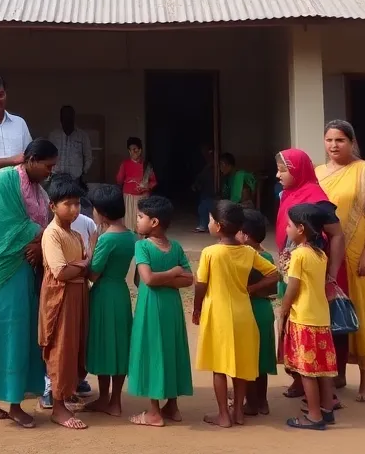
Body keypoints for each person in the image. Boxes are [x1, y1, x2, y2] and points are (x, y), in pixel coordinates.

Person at [0, 138, 58, 428]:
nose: (50, 172)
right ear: (30, 159)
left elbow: (42, 226)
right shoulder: (5, 179)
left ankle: (1, 398)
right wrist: (38, 236)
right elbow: (8, 223)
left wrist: (42, 238)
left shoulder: (39, 192)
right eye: (47, 165)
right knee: (1, 334)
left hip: (21, 270)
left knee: (20, 334)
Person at [316, 119, 365, 402]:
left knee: (360, 309)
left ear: (352, 142)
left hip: (357, 249)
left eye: (340, 140)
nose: (334, 145)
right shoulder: (318, 172)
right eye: (330, 140)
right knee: (329, 310)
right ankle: (337, 371)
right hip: (325, 250)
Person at [193, 200, 278, 427]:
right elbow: (273, 274)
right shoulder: (248, 252)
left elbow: (201, 284)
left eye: (210, 221)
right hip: (243, 313)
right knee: (240, 365)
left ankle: (223, 415)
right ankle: (238, 413)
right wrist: (250, 289)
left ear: (219, 226)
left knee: (219, 367)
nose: (208, 224)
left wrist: (196, 308)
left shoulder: (210, 252)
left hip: (218, 314)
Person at [274, 148, 346, 402]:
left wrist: (332, 274)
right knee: (291, 330)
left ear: (297, 170)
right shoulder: (287, 195)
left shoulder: (317, 199)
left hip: (308, 277)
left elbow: (337, 234)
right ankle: (299, 379)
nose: (278, 174)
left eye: (283, 170)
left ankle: (322, 395)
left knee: (309, 335)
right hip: (291, 271)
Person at [127, 194, 194, 427]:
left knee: (154, 351)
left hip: (152, 307)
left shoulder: (142, 245)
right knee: (171, 348)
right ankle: (172, 406)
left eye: (140, 216)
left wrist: (162, 278)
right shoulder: (174, 247)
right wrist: (173, 274)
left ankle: (154, 412)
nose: (137, 220)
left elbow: (152, 279)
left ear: (154, 222)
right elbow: (179, 277)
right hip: (172, 306)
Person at [38, 175, 90, 431]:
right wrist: (83, 264)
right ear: (52, 206)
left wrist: (79, 266)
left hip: (78, 296)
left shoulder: (77, 235)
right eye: (68, 203)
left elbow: (79, 268)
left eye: (77, 203)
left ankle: (67, 393)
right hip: (60, 298)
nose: (74, 209)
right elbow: (61, 272)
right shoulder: (52, 234)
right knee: (60, 348)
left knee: (75, 347)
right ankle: (57, 407)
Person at [279, 204, 338, 429]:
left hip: (303, 318)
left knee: (307, 371)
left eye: (289, 225)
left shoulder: (299, 255)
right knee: (323, 368)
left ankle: (314, 416)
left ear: (301, 228)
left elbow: (293, 287)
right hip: (321, 317)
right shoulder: (320, 253)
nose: (286, 229)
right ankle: (327, 409)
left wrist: (284, 308)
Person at [84, 183, 136, 417]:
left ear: (102, 213)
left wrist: (90, 249)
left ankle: (105, 398)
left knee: (104, 345)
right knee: (119, 345)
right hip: (121, 292)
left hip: (104, 293)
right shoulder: (131, 236)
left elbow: (94, 272)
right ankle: (115, 400)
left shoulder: (106, 239)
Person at [238, 208, 278, 416]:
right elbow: (273, 289)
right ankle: (261, 401)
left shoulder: (247, 256)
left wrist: (250, 289)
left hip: (250, 309)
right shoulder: (268, 255)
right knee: (261, 359)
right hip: (264, 308)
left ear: (245, 235)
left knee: (248, 358)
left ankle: (251, 403)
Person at [115, 136, 156, 233]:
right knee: (129, 223)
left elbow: (153, 181)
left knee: (143, 223)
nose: (133, 152)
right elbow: (119, 180)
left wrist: (146, 187)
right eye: (130, 150)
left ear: (140, 150)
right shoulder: (125, 164)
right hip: (129, 198)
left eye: (135, 150)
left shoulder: (146, 165)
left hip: (143, 198)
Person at [48, 105, 92, 185]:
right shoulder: (53, 135)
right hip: (56, 179)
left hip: (75, 179)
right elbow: (48, 156)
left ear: (73, 118)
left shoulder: (82, 135)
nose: (67, 119)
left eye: (69, 117)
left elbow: (88, 156)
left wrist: (83, 171)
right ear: (61, 119)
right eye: (65, 117)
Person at [192, 144, 215, 232]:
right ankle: (204, 224)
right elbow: (200, 177)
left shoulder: (215, 164)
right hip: (206, 190)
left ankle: (204, 225)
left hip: (213, 191)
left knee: (204, 206)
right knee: (202, 205)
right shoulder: (206, 165)